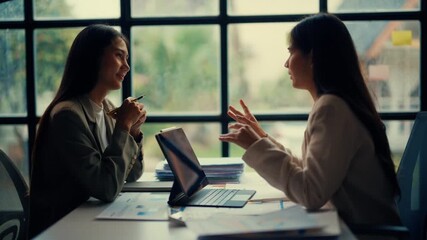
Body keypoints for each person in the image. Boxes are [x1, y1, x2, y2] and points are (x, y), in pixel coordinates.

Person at [219, 13, 402, 227]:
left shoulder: (332, 108)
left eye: (291, 52)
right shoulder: (337, 103)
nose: (286, 63)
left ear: (313, 57)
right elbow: (311, 175)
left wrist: (257, 146)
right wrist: (262, 139)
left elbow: (310, 193)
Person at [29, 24, 147, 237]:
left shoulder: (108, 108)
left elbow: (132, 175)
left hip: (92, 220)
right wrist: (123, 126)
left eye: (127, 58)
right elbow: (106, 187)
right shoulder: (67, 115)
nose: (127, 66)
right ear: (93, 58)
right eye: (119, 56)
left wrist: (133, 132)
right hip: (66, 229)